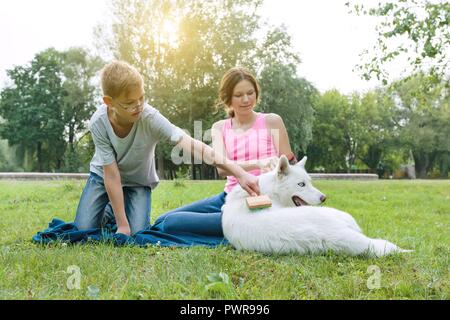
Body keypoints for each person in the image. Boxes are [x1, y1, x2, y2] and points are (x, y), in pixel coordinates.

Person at [74, 61, 259, 237]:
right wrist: (122, 225)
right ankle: (114, 210)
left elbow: (191, 144)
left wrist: (239, 172)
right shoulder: (99, 122)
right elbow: (112, 175)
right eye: (129, 103)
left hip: (137, 181)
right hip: (104, 177)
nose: (138, 106)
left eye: (142, 98)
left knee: (139, 232)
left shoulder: (150, 118)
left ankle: (116, 209)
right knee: (83, 228)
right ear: (109, 102)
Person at [150, 66, 297, 243]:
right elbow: (222, 170)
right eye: (238, 95)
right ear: (228, 99)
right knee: (162, 220)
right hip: (229, 196)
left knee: (173, 223)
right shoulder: (220, 127)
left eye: (250, 93)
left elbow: (291, 166)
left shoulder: (272, 121)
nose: (246, 99)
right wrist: (258, 163)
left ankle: (238, 226)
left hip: (263, 201)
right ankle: (229, 227)